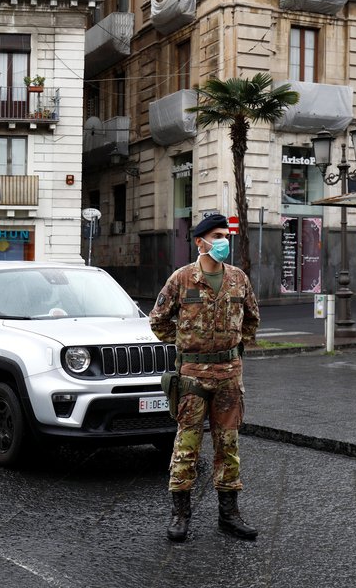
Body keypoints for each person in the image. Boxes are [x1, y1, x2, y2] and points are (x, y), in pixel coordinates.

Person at [148, 213, 260, 543]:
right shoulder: (182, 279)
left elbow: (252, 320)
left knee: (228, 445)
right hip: (192, 375)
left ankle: (229, 515)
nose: (223, 241)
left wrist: (234, 348)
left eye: (226, 235)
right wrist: (186, 341)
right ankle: (180, 514)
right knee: (187, 445)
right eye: (217, 236)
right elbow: (158, 321)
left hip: (228, 375)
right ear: (200, 242)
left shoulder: (238, 279)